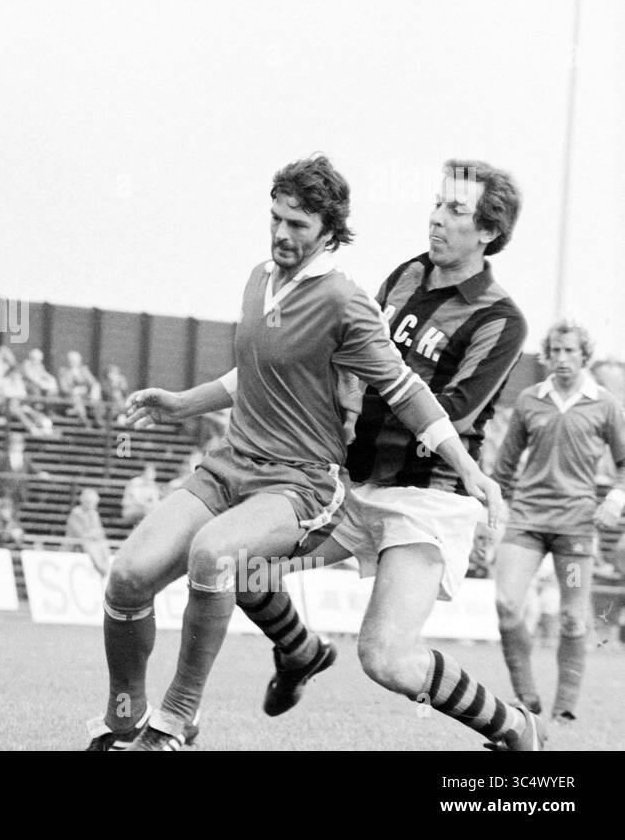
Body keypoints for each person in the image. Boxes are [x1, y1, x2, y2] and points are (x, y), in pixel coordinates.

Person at [89, 156, 511, 753]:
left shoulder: (345, 300)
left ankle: (176, 723)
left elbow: (402, 387)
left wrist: (469, 469)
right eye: (277, 218)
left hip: (300, 482)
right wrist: (184, 403)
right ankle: (124, 721)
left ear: (329, 231)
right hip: (230, 465)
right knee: (127, 578)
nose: (283, 234)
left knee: (217, 557)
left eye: (299, 225)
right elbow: (259, 371)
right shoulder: (259, 278)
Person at [227, 158, 536, 752]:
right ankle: (300, 651)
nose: (436, 219)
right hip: (351, 484)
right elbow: (346, 350)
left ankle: (513, 728)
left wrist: (352, 387)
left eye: (454, 210)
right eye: (437, 204)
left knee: (387, 658)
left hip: (425, 499)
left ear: (490, 232)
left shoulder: (502, 319)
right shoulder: (405, 276)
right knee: (241, 565)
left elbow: (450, 409)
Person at [489, 321, 625, 725]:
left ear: (585, 355)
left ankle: (564, 708)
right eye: (556, 352)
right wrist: (491, 516)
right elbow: (505, 467)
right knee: (507, 604)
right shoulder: (531, 400)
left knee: (572, 617)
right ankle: (527, 698)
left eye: (571, 351)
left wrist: (616, 499)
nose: (562, 359)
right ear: (547, 356)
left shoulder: (605, 404)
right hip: (527, 520)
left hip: (576, 528)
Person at [67, 488, 110, 576]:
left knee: (103, 544)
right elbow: (79, 532)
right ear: (84, 501)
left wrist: (94, 534)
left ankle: (106, 566)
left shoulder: (94, 514)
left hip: (92, 541)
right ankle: (101, 568)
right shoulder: (76, 513)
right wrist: (92, 534)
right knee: (90, 545)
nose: (93, 505)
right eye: (91, 502)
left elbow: (100, 532)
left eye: (94, 502)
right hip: (77, 543)